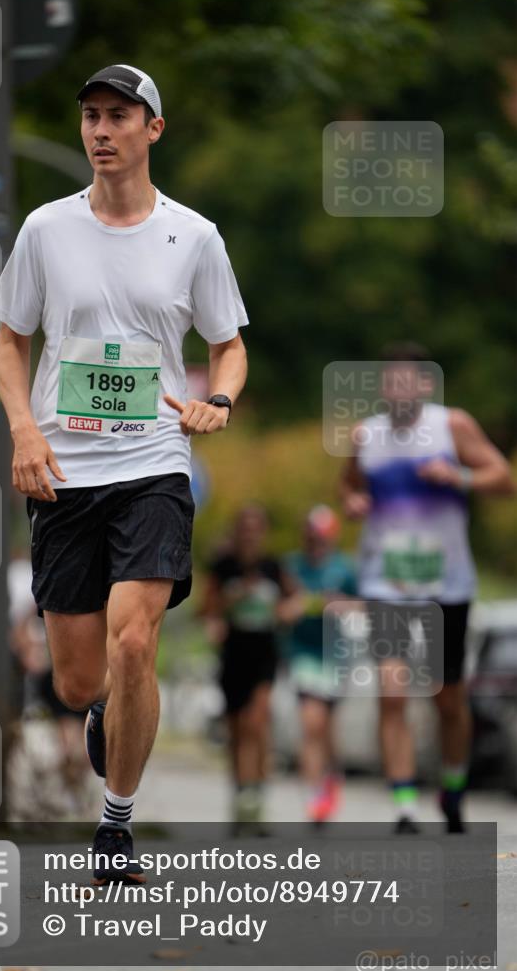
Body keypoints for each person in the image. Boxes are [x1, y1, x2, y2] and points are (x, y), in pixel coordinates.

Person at [0, 64, 248, 882]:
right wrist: (24, 429)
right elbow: (8, 341)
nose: (100, 131)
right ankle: (109, 706)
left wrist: (223, 401)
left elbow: (228, 344)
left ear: (153, 130)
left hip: (153, 466)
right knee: (76, 681)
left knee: (134, 641)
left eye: (119, 117)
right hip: (62, 470)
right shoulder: (44, 230)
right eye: (90, 118)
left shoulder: (194, 236)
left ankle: (115, 824)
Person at [339, 343, 515, 833]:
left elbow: (503, 478)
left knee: (447, 698)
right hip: (386, 582)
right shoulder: (366, 435)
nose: (398, 389)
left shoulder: (450, 426)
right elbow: (349, 484)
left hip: (446, 582)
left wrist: (456, 474)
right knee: (392, 692)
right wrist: (354, 500)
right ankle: (404, 806)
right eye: (389, 381)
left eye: (407, 380)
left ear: (423, 385)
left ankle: (453, 792)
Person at [202, 504, 296, 829]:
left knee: (257, 722)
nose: (251, 535)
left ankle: (256, 796)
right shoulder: (223, 567)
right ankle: (240, 795)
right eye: (245, 528)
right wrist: (226, 606)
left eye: (257, 529)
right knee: (237, 729)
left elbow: (294, 598)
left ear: (263, 533)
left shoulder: (273, 567)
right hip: (233, 654)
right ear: (237, 531)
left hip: (265, 653)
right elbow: (206, 608)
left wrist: (286, 610)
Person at [283, 505, 356, 825]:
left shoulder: (346, 568)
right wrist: (293, 608)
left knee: (326, 727)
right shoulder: (291, 567)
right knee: (311, 722)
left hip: (337, 655)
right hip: (303, 653)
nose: (316, 544)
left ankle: (330, 776)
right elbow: (279, 608)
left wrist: (338, 604)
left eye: (322, 538)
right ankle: (314, 794)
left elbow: (365, 605)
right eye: (312, 538)